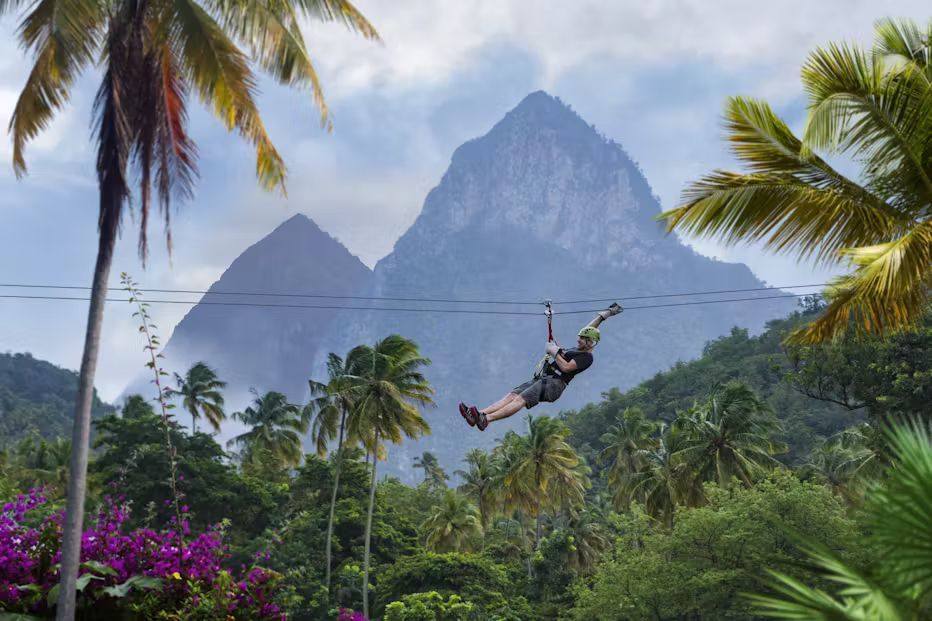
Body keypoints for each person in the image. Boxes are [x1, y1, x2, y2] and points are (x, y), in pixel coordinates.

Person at [459, 303, 622, 430]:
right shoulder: (579, 347)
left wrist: (554, 352)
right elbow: (590, 329)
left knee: (519, 400)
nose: (578, 340)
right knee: (511, 395)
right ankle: (479, 414)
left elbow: (566, 368)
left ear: (589, 342)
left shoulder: (587, 357)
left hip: (554, 385)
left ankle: (486, 420)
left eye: (582, 339)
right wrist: (604, 315)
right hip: (545, 378)